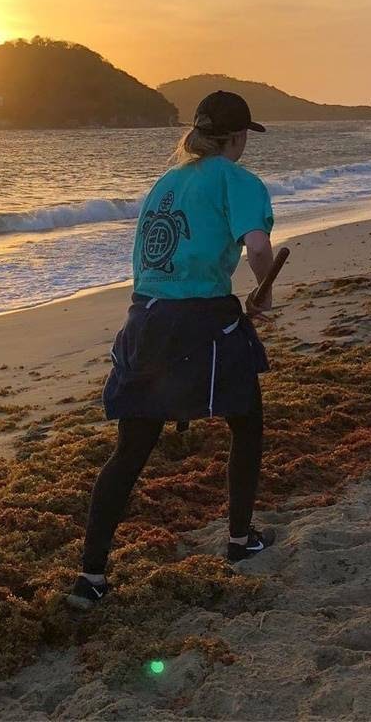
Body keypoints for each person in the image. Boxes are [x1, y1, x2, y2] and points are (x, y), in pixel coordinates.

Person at [67, 90, 276, 611]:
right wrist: (265, 290)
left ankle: (91, 577)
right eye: (244, 135)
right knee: (247, 421)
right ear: (237, 137)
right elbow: (257, 247)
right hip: (201, 319)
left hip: (145, 318)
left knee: (131, 450)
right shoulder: (237, 180)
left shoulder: (166, 182)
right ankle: (240, 539)